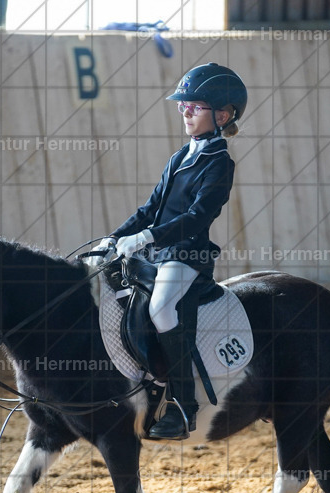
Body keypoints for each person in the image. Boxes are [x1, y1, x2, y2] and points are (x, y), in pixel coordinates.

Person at [98, 63, 247, 440]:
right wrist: (114, 238)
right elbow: (149, 209)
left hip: (187, 256)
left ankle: (184, 406)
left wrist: (147, 238)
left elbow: (197, 217)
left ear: (223, 114)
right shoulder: (180, 156)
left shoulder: (219, 163)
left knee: (162, 308)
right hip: (157, 253)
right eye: (184, 105)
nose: (185, 111)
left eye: (194, 106)